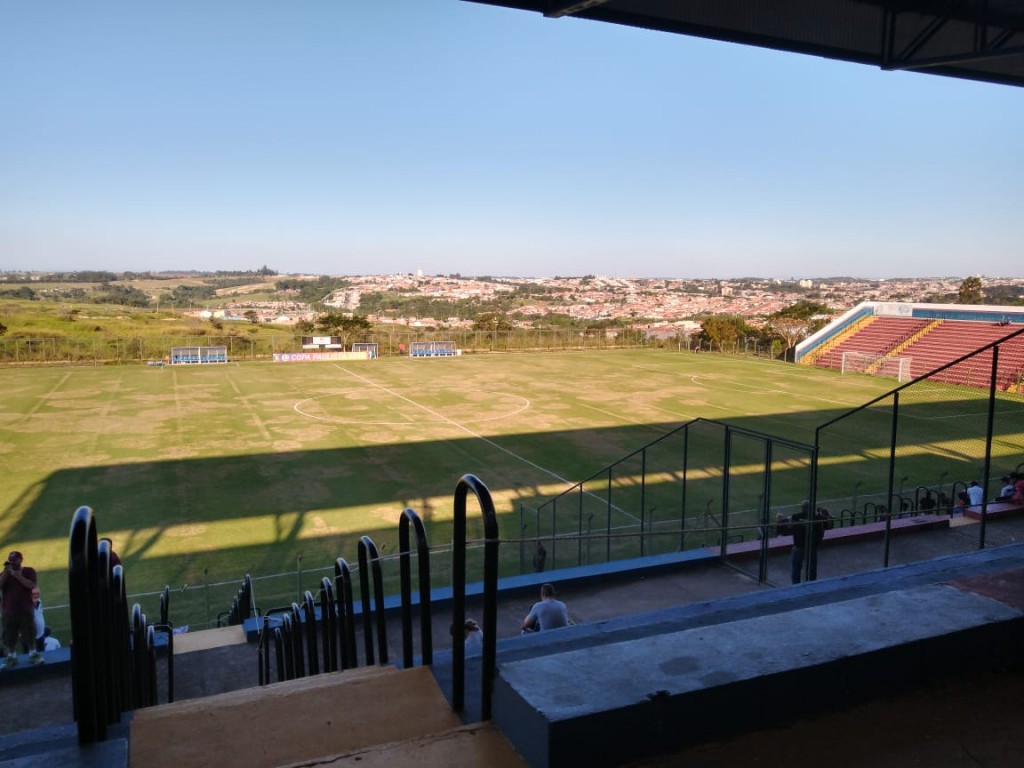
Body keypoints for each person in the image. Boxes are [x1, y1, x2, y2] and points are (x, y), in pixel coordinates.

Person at [776, 503, 833, 584]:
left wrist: (780, 522)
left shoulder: (796, 516)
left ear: (802, 508)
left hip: (799, 547)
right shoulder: (816, 518)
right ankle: (811, 585)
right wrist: (816, 544)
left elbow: (788, 529)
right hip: (811, 547)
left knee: (796, 568)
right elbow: (821, 532)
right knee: (812, 568)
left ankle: (796, 587)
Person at [0, 551, 40, 666]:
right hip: (8, 612)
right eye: (11, 560)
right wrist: (6, 574)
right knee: (9, 635)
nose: (13, 562)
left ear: (21, 559)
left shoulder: (28, 571)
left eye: (15, 560)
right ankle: (11, 656)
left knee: (29, 633)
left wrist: (16, 574)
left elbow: (31, 585)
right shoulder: (4, 574)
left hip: (25, 610)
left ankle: (33, 654)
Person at [32, 587, 45, 653]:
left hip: (41, 633)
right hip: (32, 637)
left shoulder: (39, 601)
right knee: (34, 655)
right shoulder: (27, 605)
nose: (36, 595)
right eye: (34, 594)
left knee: (43, 653)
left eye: (37, 593)